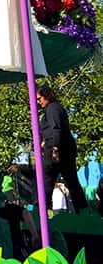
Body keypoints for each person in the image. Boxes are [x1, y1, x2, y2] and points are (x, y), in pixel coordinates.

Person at [37, 84, 87, 212]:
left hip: (58, 150)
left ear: (46, 97)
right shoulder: (54, 108)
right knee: (71, 180)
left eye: (40, 98)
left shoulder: (52, 108)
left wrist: (55, 149)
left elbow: (56, 128)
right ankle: (82, 209)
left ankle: (42, 209)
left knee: (46, 180)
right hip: (62, 148)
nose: (38, 101)